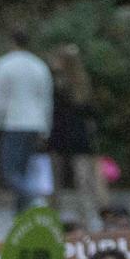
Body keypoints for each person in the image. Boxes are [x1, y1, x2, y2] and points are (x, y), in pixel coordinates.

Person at [0, 29, 55, 211]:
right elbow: (46, 99)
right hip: (35, 123)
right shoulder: (39, 65)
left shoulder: (4, 64)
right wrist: (45, 128)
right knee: (23, 171)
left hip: (14, 123)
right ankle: (21, 212)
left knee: (10, 172)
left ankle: (34, 199)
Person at [49, 45, 100, 229]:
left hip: (67, 137)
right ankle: (80, 222)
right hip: (69, 137)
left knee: (73, 183)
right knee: (69, 184)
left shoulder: (66, 85)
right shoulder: (73, 84)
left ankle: (81, 222)